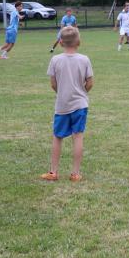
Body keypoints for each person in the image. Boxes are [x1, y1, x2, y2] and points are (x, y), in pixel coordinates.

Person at [41, 26, 94, 182]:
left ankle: (53, 172)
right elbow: (90, 82)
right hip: (80, 105)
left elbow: (53, 83)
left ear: (61, 42)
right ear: (79, 42)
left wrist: (62, 93)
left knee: (58, 137)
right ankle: (75, 173)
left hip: (62, 105)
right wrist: (82, 93)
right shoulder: (84, 59)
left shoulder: (55, 60)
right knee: (78, 137)